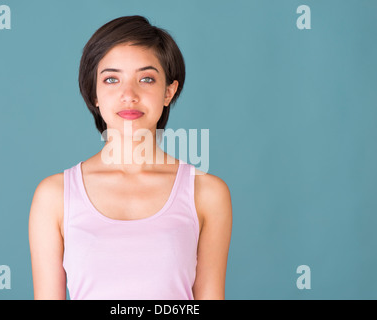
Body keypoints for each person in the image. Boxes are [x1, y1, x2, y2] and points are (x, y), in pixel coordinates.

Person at [29, 15, 232, 300]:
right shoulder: (53, 196)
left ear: (168, 92)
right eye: (111, 79)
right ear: (95, 94)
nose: (128, 95)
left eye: (146, 79)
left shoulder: (207, 193)